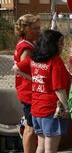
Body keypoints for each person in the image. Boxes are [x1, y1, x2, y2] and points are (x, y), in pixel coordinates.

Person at [15, 30, 71, 153]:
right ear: (53, 44)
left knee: (41, 146)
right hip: (51, 110)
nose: (63, 46)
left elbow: (16, 68)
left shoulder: (35, 59)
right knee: (50, 149)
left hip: (36, 110)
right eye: (61, 43)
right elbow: (58, 89)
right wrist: (67, 108)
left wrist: (34, 79)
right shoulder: (55, 61)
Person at [14, 14, 41, 153]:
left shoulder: (26, 43)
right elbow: (23, 69)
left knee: (31, 125)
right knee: (30, 127)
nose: (39, 31)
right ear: (26, 29)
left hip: (27, 91)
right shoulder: (26, 48)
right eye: (36, 28)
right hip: (29, 91)